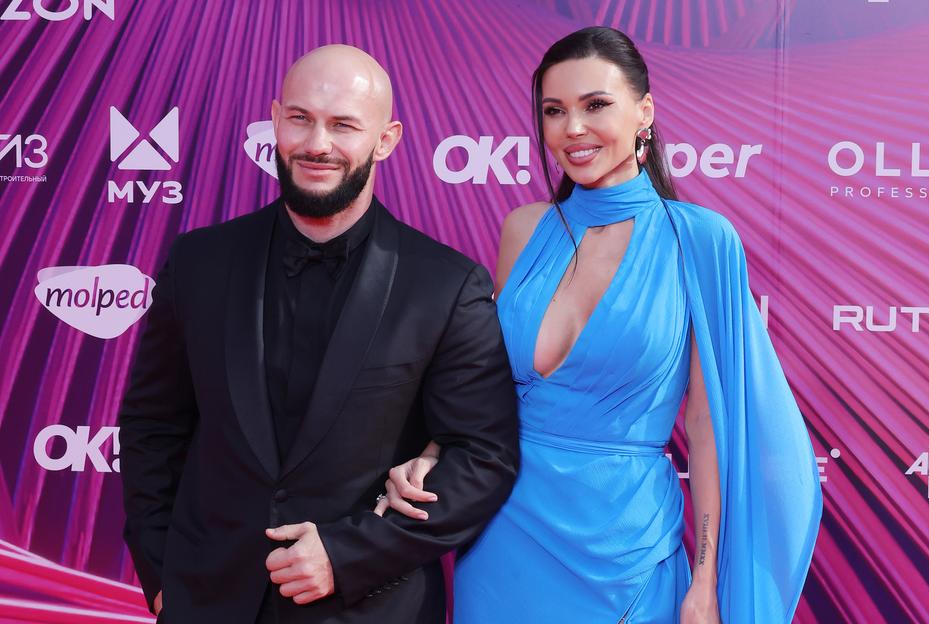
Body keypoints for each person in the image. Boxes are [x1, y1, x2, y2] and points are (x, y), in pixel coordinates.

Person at [376, 27, 822, 623]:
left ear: (645, 112)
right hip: (505, 535)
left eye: (595, 105)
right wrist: (435, 451)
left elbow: (706, 425)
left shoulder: (700, 240)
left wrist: (705, 579)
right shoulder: (524, 229)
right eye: (554, 111)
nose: (573, 128)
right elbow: (488, 385)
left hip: (626, 550)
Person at [118, 44, 519, 624]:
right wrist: (162, 575)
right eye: (301, 118)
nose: (317, 144)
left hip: (367, 608)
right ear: (275, 120)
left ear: (386, 140)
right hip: (206, 601)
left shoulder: (446, 285)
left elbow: (483, 456)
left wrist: (351, 554)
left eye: (344, 125)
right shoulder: (198, 263)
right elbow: (153, 427)